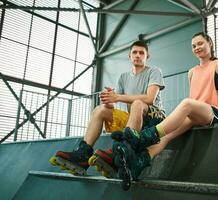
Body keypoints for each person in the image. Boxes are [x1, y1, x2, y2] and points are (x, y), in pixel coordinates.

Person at [111, 32, 218, 180]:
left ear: (209, 43)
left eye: (200, 43)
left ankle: (146, 136)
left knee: (186, 103)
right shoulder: (192, 72)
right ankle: (138, 164)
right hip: (194, 113)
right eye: (194, 46)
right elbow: (195, 98)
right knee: (165, 137)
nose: (197, 47)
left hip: (214, 112)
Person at [49, 40, 166, 176]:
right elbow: (114, 102)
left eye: (141, 53)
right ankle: (83, 155)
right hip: (134, 118)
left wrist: (117, 97)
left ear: (147, 56)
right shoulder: (123, 77)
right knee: (100, 110)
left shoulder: (154, 71)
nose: (138, 55)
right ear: (129, 56)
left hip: (155, 120)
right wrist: (108, 100)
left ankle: (122, 151)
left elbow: (150, 99)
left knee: (138, 103)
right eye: (134, 52)